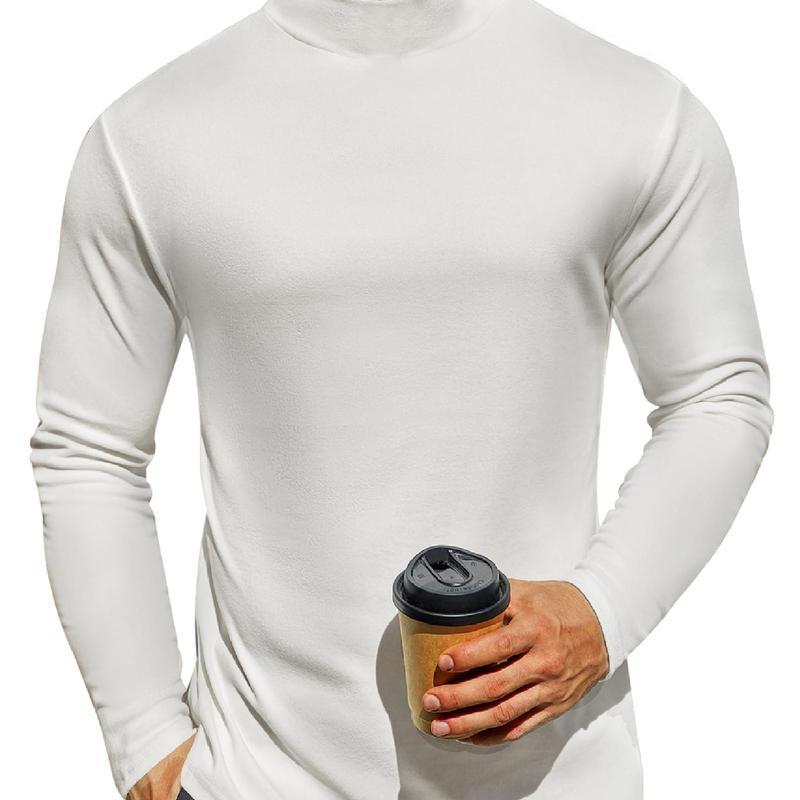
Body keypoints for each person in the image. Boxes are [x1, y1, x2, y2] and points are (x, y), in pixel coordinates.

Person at [29, 0, 773, 798]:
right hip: (258, 779)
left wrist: (602, 610)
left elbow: (716, 391)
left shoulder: (635, 111)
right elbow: (88, 445)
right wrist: (145, 740)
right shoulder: (151, 136)